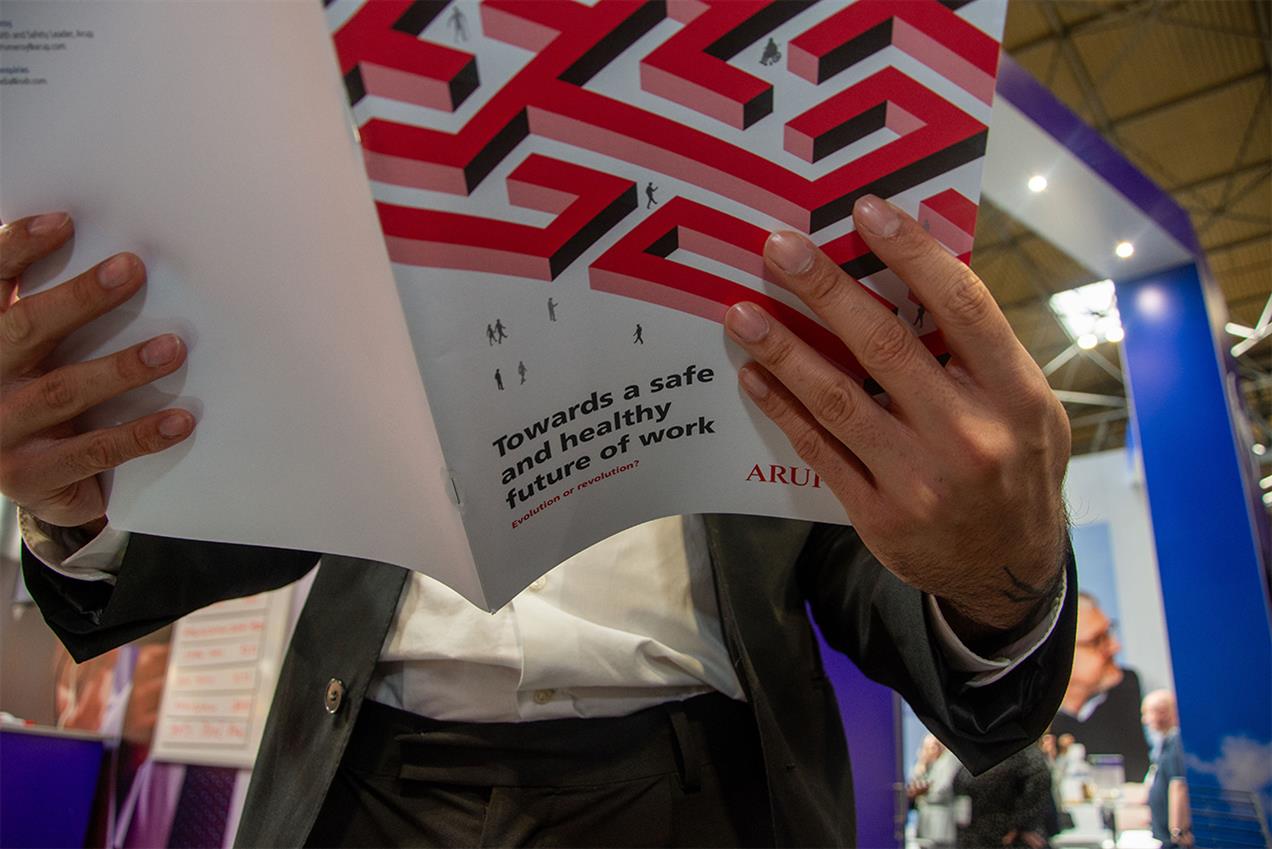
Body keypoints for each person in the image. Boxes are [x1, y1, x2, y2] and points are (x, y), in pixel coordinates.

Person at [3, 196, 1077, 847]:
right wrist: (80, 499)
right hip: (366, 778)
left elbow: (897, 578)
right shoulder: (350, 226)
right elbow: (251, 493)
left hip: (711, 793)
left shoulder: (799, 246)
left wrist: (1005, 575)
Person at [1050, 592, 1150, 779]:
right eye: (1097, 640)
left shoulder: (1136, 689)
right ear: (1057, 652)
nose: (1115, 646)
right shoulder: (1029, 719)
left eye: (1109, 631)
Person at [953, 743, 1055, 849]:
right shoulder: (979, 750)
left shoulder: (1020, 751)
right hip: (976, 834)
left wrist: (1020, 826)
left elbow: (1039, 777)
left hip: (1008, 837)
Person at [1142, 690, 1190, 847]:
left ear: (1163, 713)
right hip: (1166, 836)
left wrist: (1177, 831)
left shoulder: (1176, 744)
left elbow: (1179, 786)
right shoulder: (1165, 745)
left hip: (1174, 840)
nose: (1144, 720)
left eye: (1147, 713)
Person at [908, 734, 962, 847]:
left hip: (941, 824)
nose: (933, 749)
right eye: (929, 746)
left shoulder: (949, 761)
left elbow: (941, 789)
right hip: (924, 823)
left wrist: (922, 794)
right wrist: (922, 763)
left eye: (935, 745)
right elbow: (914, 785)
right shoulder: (924, 764)